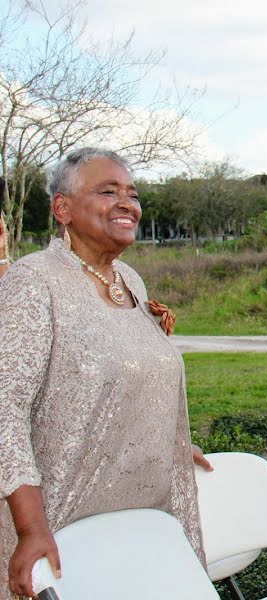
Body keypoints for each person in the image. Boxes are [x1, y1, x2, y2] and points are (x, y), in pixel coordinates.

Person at [0, 148, 206, 599]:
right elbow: (6, 411)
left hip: (140, 521)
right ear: (63, 209)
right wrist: (31, 529)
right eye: (107, 191)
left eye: (131, 194)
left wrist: (161, 438)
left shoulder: (130, 280)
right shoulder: (33, 283)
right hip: (63, 525)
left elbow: (126, 376)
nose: (126, 203)